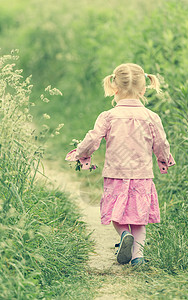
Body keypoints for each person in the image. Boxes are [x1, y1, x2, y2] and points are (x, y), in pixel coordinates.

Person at [66, 63, 175, 266]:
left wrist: (81, 153)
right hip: (142, 174)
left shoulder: (108, 116)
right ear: (143, 90)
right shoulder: (152, 117)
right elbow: (161, 143)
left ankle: (124, 234)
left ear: (114, 88)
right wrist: (164, 159)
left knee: (117, 213)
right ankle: (138, 257)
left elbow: (92, 139)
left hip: (115, 173)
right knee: (140, 218)